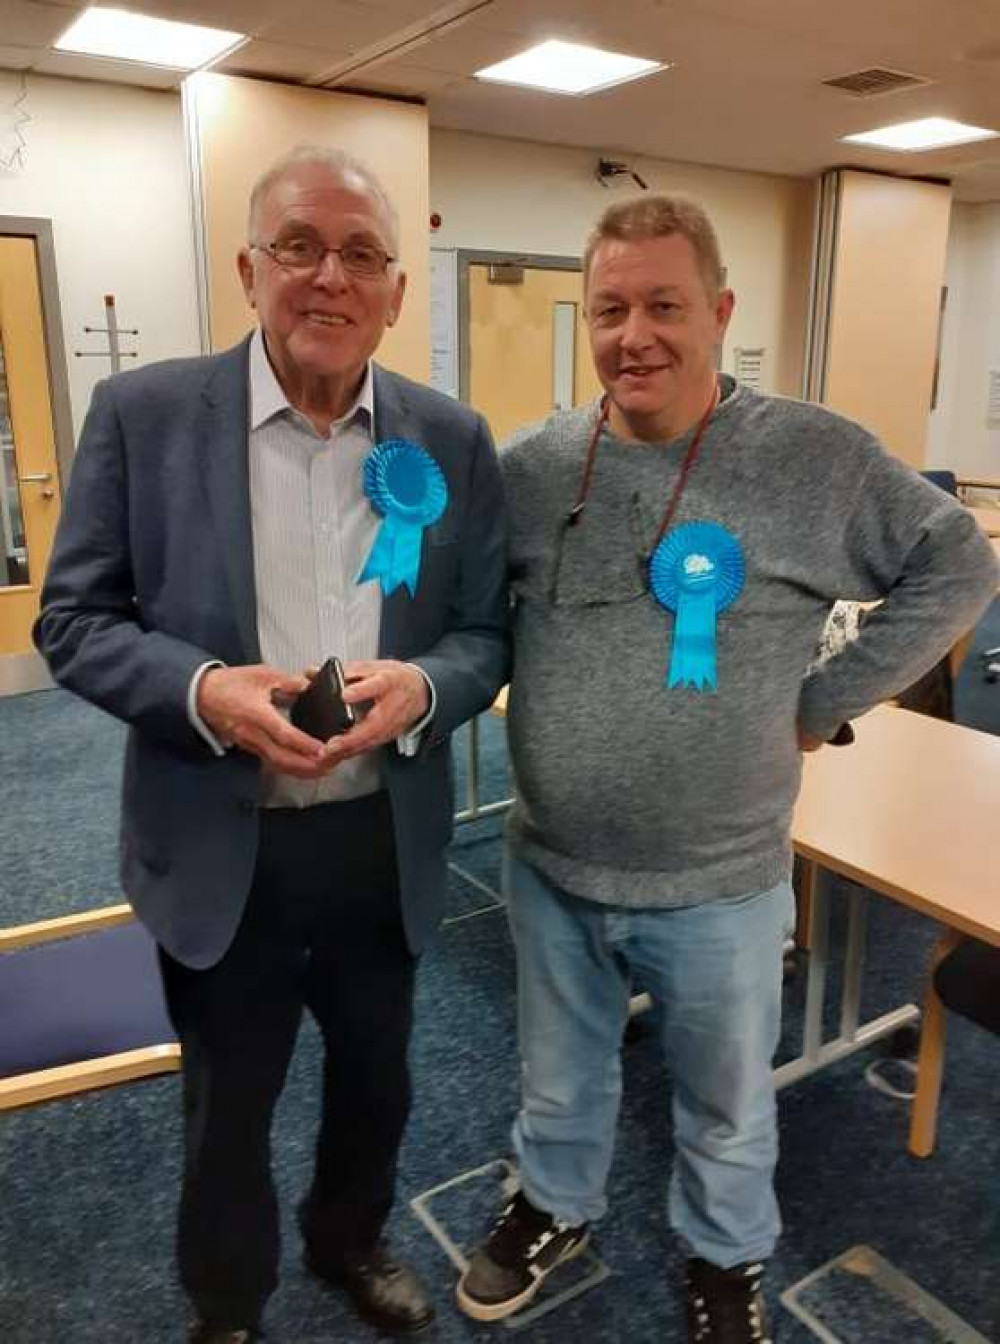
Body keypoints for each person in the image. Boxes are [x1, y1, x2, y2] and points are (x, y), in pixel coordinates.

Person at [456, 195, 999, 1343]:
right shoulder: (537, 466)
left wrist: (825, 703)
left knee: (726, 1102)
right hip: (551, 862)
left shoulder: (811, 456)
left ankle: (723, 1255)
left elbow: (954, 564)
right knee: (556, 1080)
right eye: (609, 309)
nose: (633, 334)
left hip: (720, 879)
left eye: (663, 305)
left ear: (720, 312)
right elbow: (476, 619)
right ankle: (553, 1204)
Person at [35, 145, 508, 1343]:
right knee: (227, 1102)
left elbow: (483, 631)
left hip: (378, 837)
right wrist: (201, 691)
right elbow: (74, 620)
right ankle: (228, 1304)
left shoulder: (449, 439)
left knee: (377, 1080)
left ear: (397, 290)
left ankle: (348, 1242)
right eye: (298, 246)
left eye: (360, 254)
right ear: (249, 269)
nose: (328, 278)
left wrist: (428, 686)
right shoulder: (143, 417)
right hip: (219, 839)